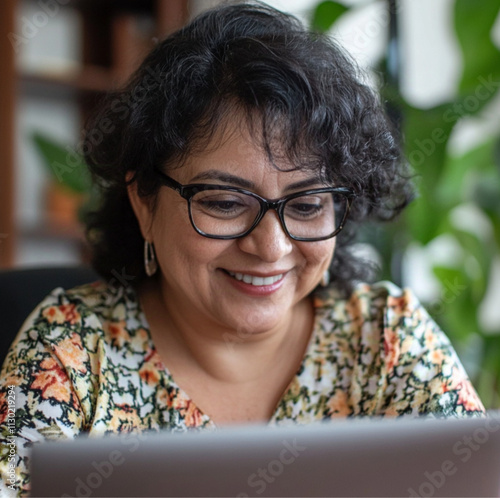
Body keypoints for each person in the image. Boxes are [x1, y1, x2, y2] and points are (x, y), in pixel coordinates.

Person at [0, 1, 484, 496]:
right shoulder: (71, 354)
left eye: (307, 204)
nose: (271, 246)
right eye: (226, 202)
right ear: (144, 201)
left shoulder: (388, 342)